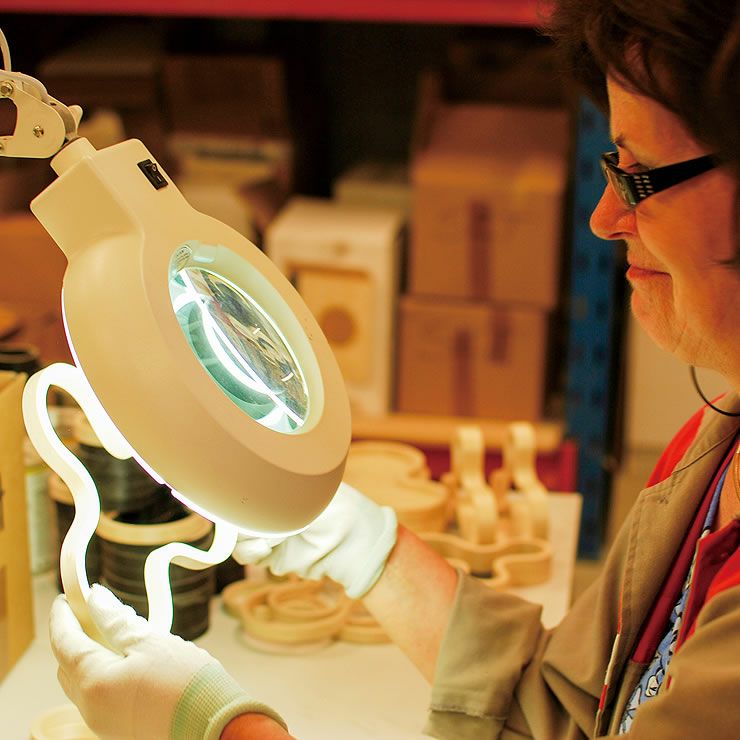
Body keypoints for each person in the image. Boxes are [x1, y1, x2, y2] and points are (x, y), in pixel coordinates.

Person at [49, 0, 740, 737]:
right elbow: (569, 712)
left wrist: (215, 727)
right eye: (612, 165)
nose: (603, 218)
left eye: (642, 175)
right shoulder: (711, 450)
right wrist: (372, 553)